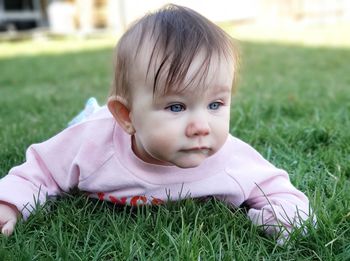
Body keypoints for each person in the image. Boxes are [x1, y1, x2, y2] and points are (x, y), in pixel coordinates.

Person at [0, 5, 312, 242]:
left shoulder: (229, 158)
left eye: (215, 104)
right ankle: (92, 111)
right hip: (96, 126)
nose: (201, 126)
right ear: (127, 116)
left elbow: (278, 190)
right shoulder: (92, 145)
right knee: (83, 123)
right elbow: (38, 170)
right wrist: (9, 205)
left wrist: (283, 218)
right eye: (176, 106)